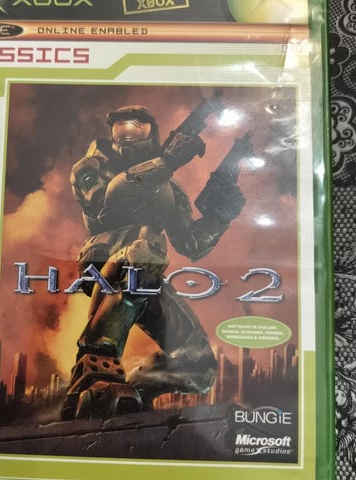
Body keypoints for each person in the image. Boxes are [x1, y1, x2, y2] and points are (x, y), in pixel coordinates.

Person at [61, 96, 251, 420]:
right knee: (141, 254)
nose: (126, 135)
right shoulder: (93, 166)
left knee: (199, 367)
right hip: (107, 262)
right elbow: (106, 205)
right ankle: (94, 369)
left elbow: (191, 243)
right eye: (120, 128)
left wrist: (220, 215)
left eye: (137, 128)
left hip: (148, 271)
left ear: (153, 132)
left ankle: (138, 389)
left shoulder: (168, 188)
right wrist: (167, 161)